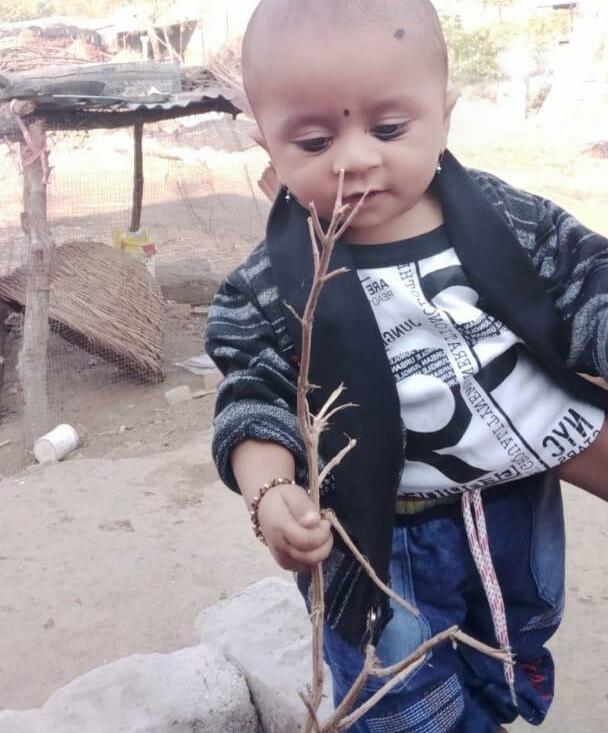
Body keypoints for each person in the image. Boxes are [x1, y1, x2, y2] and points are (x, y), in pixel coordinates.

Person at [205, 1, 608, 730]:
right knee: (402, 698)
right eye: (315, 140)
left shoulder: (508, 220)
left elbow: (588, 283)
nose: (354, 158)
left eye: (389, 129)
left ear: (443, 115)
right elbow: (252, 394)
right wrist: (269, 491)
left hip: (518, 502)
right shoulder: (269, 284)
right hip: (381, 539)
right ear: (267, 144)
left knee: (513, 646)